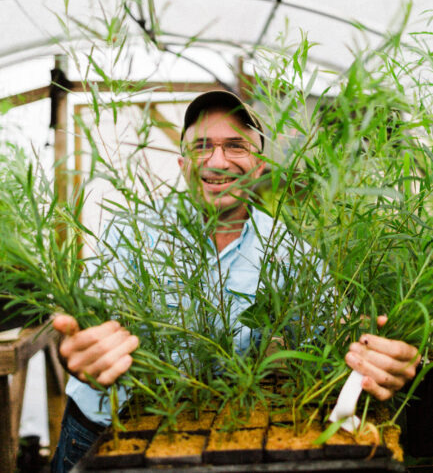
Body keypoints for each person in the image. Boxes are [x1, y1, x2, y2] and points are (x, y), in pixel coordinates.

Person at [51, 90, 420, 472]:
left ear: (260, 166)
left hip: (222, 437)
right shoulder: (130, 231)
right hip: (105, 432)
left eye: (235, 146)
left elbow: (339, 334)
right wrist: (84, 347)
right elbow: (90, 324)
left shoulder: (285, 247)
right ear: (182, 163)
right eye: (202, 146)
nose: (217, 160)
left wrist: (372, 355)